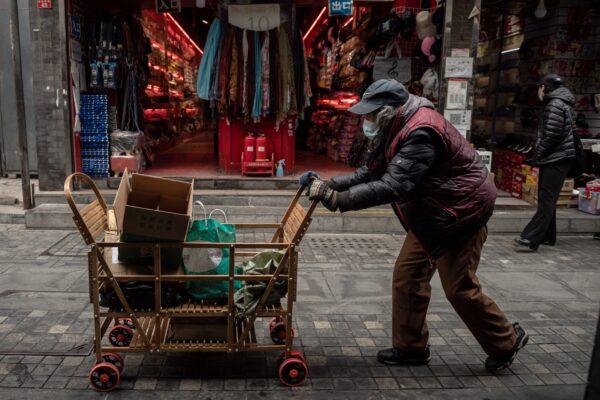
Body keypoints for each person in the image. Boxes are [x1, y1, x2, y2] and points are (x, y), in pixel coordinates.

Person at [300, 79, 528, 372]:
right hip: (432, 214)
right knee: (408, 278)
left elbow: (392, 185)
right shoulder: (394, 126)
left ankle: (505, 341)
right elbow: (371, 172)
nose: (366, 121)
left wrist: (338, 199)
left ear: (388, 110)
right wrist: (330, 184)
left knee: (459, 288)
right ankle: (411, 348)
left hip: (461, 212)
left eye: (370, 114)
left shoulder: (421, 132)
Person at [515, 74, 577, 252]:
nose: (538, 91)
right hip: (559, 157)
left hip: (556, 158)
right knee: (549, 198)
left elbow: (552, 135)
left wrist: (538, 154)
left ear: (545, 88)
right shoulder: (562, 102)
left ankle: (531, 237)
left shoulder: (554, 104)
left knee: (546, 199)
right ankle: (548, 236)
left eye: (540, 87)